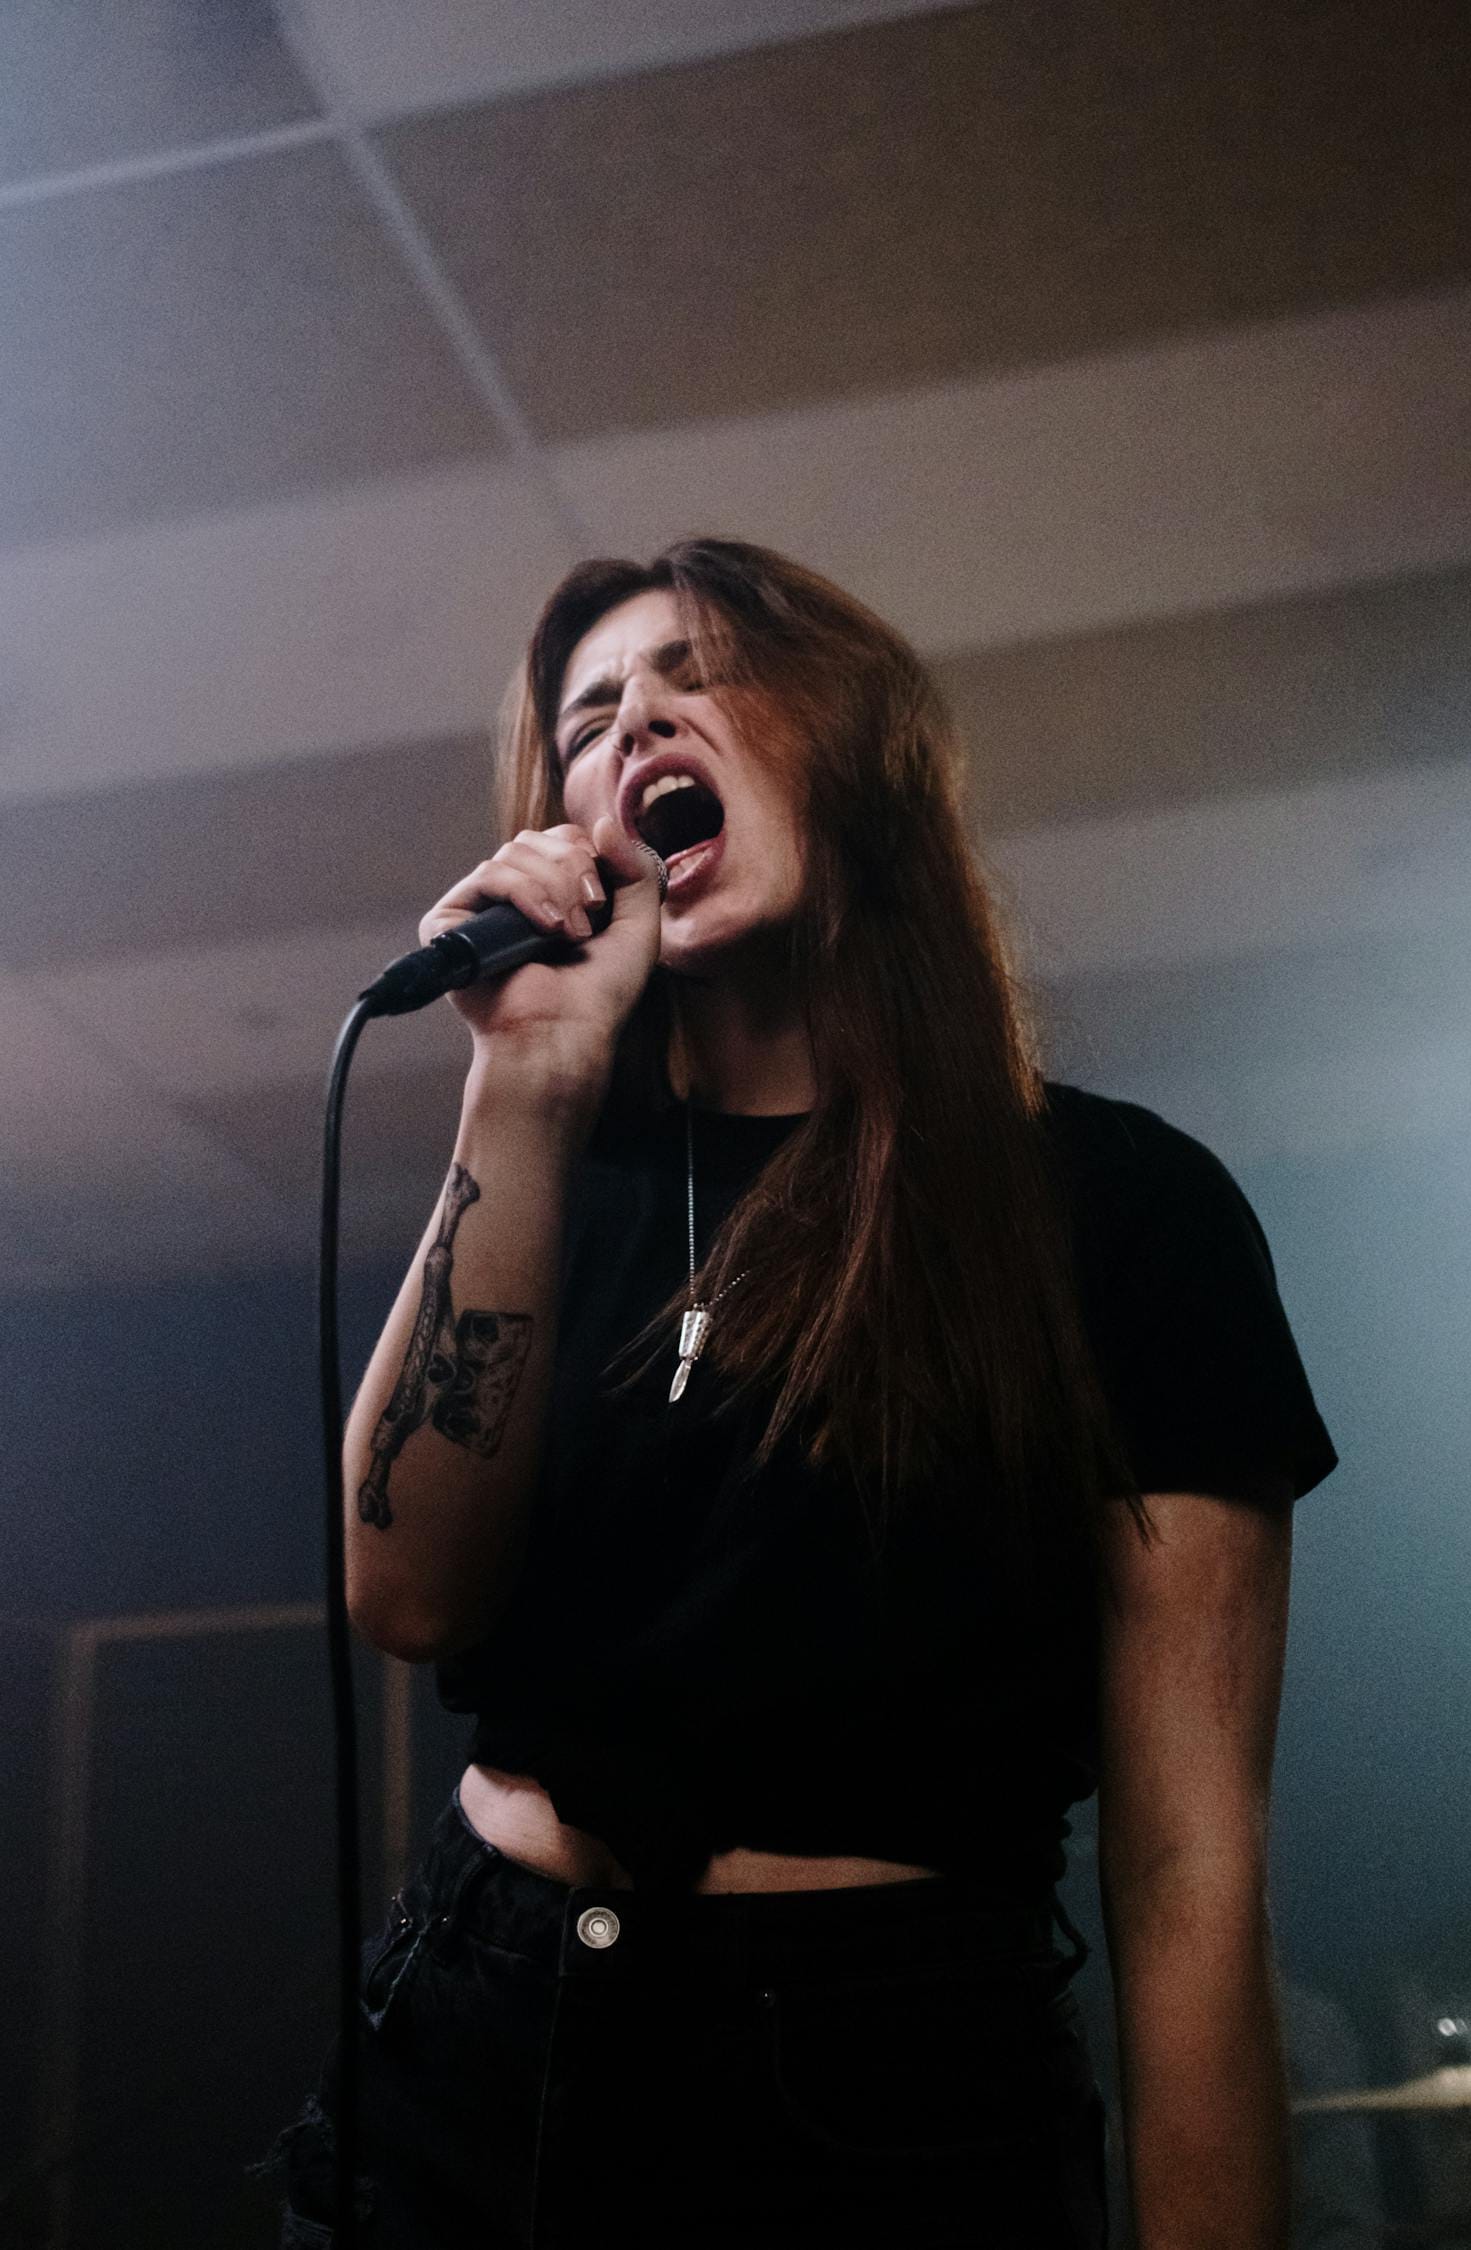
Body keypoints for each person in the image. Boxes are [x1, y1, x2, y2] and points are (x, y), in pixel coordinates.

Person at [265, 537, 1339, 2247]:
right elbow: (400, 1589)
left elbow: (1190, 1868)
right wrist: (521, 1089)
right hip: (481, 2031)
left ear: (859, 745)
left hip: (883, 2089)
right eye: (592, 718)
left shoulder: (1125, 1208)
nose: (634, 729)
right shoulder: (560, 1173)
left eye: (695, 675)